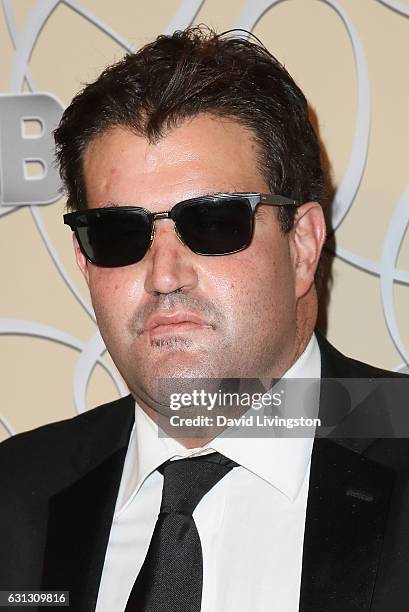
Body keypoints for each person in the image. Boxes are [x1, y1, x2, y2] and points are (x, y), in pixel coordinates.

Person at [0, 26, 408, 612]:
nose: (164, 273)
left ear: (302, 247)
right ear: (86, 263)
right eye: (120, 233)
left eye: (213, 224)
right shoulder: (15, 493)